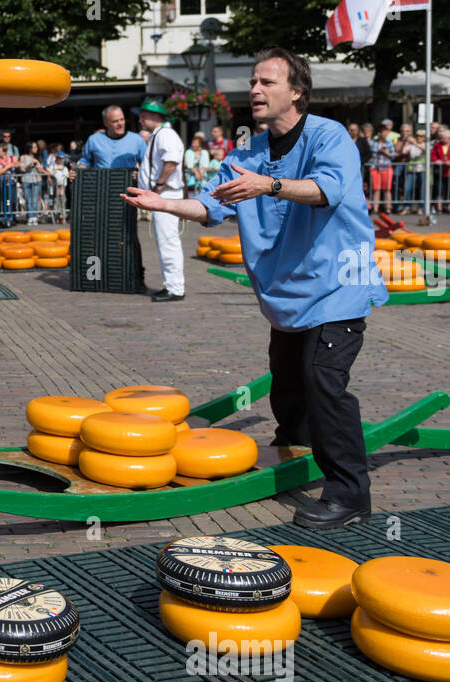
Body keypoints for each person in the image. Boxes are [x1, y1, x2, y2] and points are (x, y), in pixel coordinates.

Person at [122, 48, 386, 530]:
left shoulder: (330, 136)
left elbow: (327, 190)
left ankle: (350, 493)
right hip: (287, 295)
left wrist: (271, 185)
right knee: (287, 386)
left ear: (297, 92)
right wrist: (163, 203)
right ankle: (298, 448)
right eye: (253, 82)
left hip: (340, 284)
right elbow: (210, 207)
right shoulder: (244, 155)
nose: (255, 91)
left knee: (324, 382)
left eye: (267, 82)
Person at [137, 99, 185, 302]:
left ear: (155, 117)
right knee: (166, 240)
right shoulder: (161, 134)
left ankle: (174, 287)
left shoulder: (165, 134)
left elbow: (171, 161)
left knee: (168, 241)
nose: (140, 119)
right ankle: (173, 286)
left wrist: (159, 184)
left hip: (166, 194)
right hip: (164, 193)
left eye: (143, 115)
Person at [77, 105, 148, 170]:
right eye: (115, 121)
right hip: (101, 182)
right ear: (105, 123)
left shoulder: (137, 140)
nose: (120, 124)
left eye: (122, 119)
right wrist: (77, 171)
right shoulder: (94, 140)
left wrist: (139, 174)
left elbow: (147, 165)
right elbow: (85, 162)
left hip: (129, 183)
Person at [368, 124, 395, 214]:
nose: (386, 133)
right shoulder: (372, 142)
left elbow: (393, 156)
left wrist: (384, 152)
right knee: (376, 189)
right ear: (379, 133)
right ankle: (375, 209)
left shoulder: (389, 143)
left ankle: (388, 208)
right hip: (375, 168)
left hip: (386, 167)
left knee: (387, 189)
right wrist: (378, 151)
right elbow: (370, 155)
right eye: (384, 132)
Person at [401, 128, 426, 213]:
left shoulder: (426, 144)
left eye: (421, 136)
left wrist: (414, 143)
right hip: (411, 169)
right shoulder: (411, 145)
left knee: (422, 189)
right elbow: (403, 152)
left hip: (422, 169)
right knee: (407, 188)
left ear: (424, 138)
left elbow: (425, 150)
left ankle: (421, 208)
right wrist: (405, 142)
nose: (419, 138)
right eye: (417, 136)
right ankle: (407, 207)